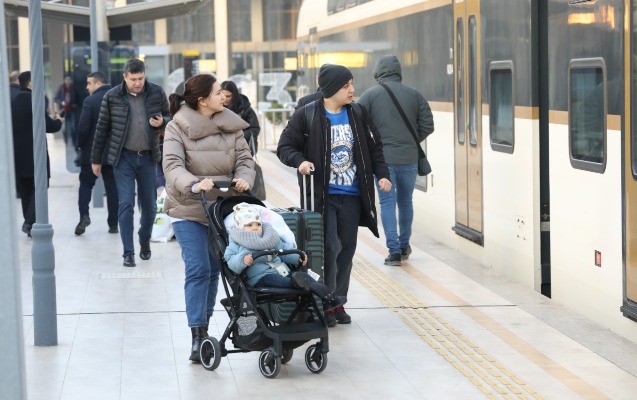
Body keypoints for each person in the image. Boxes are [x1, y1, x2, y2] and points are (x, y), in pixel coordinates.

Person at [277, 63, 392, 327]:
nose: (352, 90)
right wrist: (300, 162)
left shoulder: (358, 113)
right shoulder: (307, 114)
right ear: (330, 89)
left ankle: (338, 302)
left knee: (346, 250)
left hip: (352, 195)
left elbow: (375, 147)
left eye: (351, 84)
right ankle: (325, 303)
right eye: (346, 86)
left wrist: (383, 175)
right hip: (322, 196)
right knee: (330, 248)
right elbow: (285, 146)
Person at [162, 73, 255, 362]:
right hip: (188, 209)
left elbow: (245, 159)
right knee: (198, 268)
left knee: (214, 269)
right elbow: (172, 165)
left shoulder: (232, 125)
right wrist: (193, 183)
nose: (223, 96)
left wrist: (244, 177)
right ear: (202, 100)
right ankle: (197, 335)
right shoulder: (176, 127)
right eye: (217, 93)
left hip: (223, 209)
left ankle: (204, 329)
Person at [91, 58, 170, 267]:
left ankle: (144, 239)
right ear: (124, 77)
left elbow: (170, 117)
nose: (138, 83)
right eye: (133, 79)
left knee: (150, 207)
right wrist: (96, 159)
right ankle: (128, 252)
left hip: (148, 157)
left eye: (141, 78)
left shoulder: (156, 92)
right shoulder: (112, 96)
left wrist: (163, 121)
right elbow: (101, 129)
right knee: (125, 204)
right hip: (123, 158)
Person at [358, 55, 434, 266]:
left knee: (387, 203)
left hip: (384, 161)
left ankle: (393, 252)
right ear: (398, 71)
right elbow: (428, 125)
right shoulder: (415, 95)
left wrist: (374, 143)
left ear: (378, 72)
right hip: (409, 158)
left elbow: (357, 123)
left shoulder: (370, 96)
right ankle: (404, 245)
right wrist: (410, 140)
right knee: (406, 201)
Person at [224, 202, 347, 308]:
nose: (255, 228)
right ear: (240, 227)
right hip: (260, 278)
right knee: (278, 280)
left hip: (282, 271)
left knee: (305, 277)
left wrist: (298, 257)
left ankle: (329, 298)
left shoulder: (269, 237)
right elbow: (230, 259)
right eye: (249, 225)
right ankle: (295, 283)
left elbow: (283, 248)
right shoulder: (237, 242)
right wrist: (242, 259)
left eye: (258, 224)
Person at [11, 71, 64, 237]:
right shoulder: (34, 100)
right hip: (35, 153)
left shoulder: (14, 101)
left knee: (26, 190)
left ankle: (30, 225)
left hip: (18, 154)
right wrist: (58, 120)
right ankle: (29, 222)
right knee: (41, 186)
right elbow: (49, 126)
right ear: (31, 83)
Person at [75, 71, 119, 235]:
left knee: (86, 185)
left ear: (98, 83)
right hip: (113, 152)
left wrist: (80, 145)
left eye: (89, 83)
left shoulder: (90, 101)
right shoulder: (117, 99)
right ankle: (113, 224)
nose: (87, 87)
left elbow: (83, 127)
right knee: (113, 188)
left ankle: (84, 216)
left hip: (91, 152)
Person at [220, 80, 260, 154]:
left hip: (243, 149)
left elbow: (255, 129)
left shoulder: (245, 108)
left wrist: (238, 136)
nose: (225, 98)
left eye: (228, 96)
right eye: (223, 96)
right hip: (222, 150)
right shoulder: (216, 108)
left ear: (234, 95)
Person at [54, 75, 79, 149]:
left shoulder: (73, 88)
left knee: (73, 127)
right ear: (64, 80)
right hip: (63, 110)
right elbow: (56, 98)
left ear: (71, 81)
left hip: (72, 110)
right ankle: (66, 142)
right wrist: (61, 102)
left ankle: (74, 142)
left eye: (69, 80)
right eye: (66, 79)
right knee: (64, 127)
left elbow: (78, 98)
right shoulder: (61, 88)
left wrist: (75, 104)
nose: (68, 81)